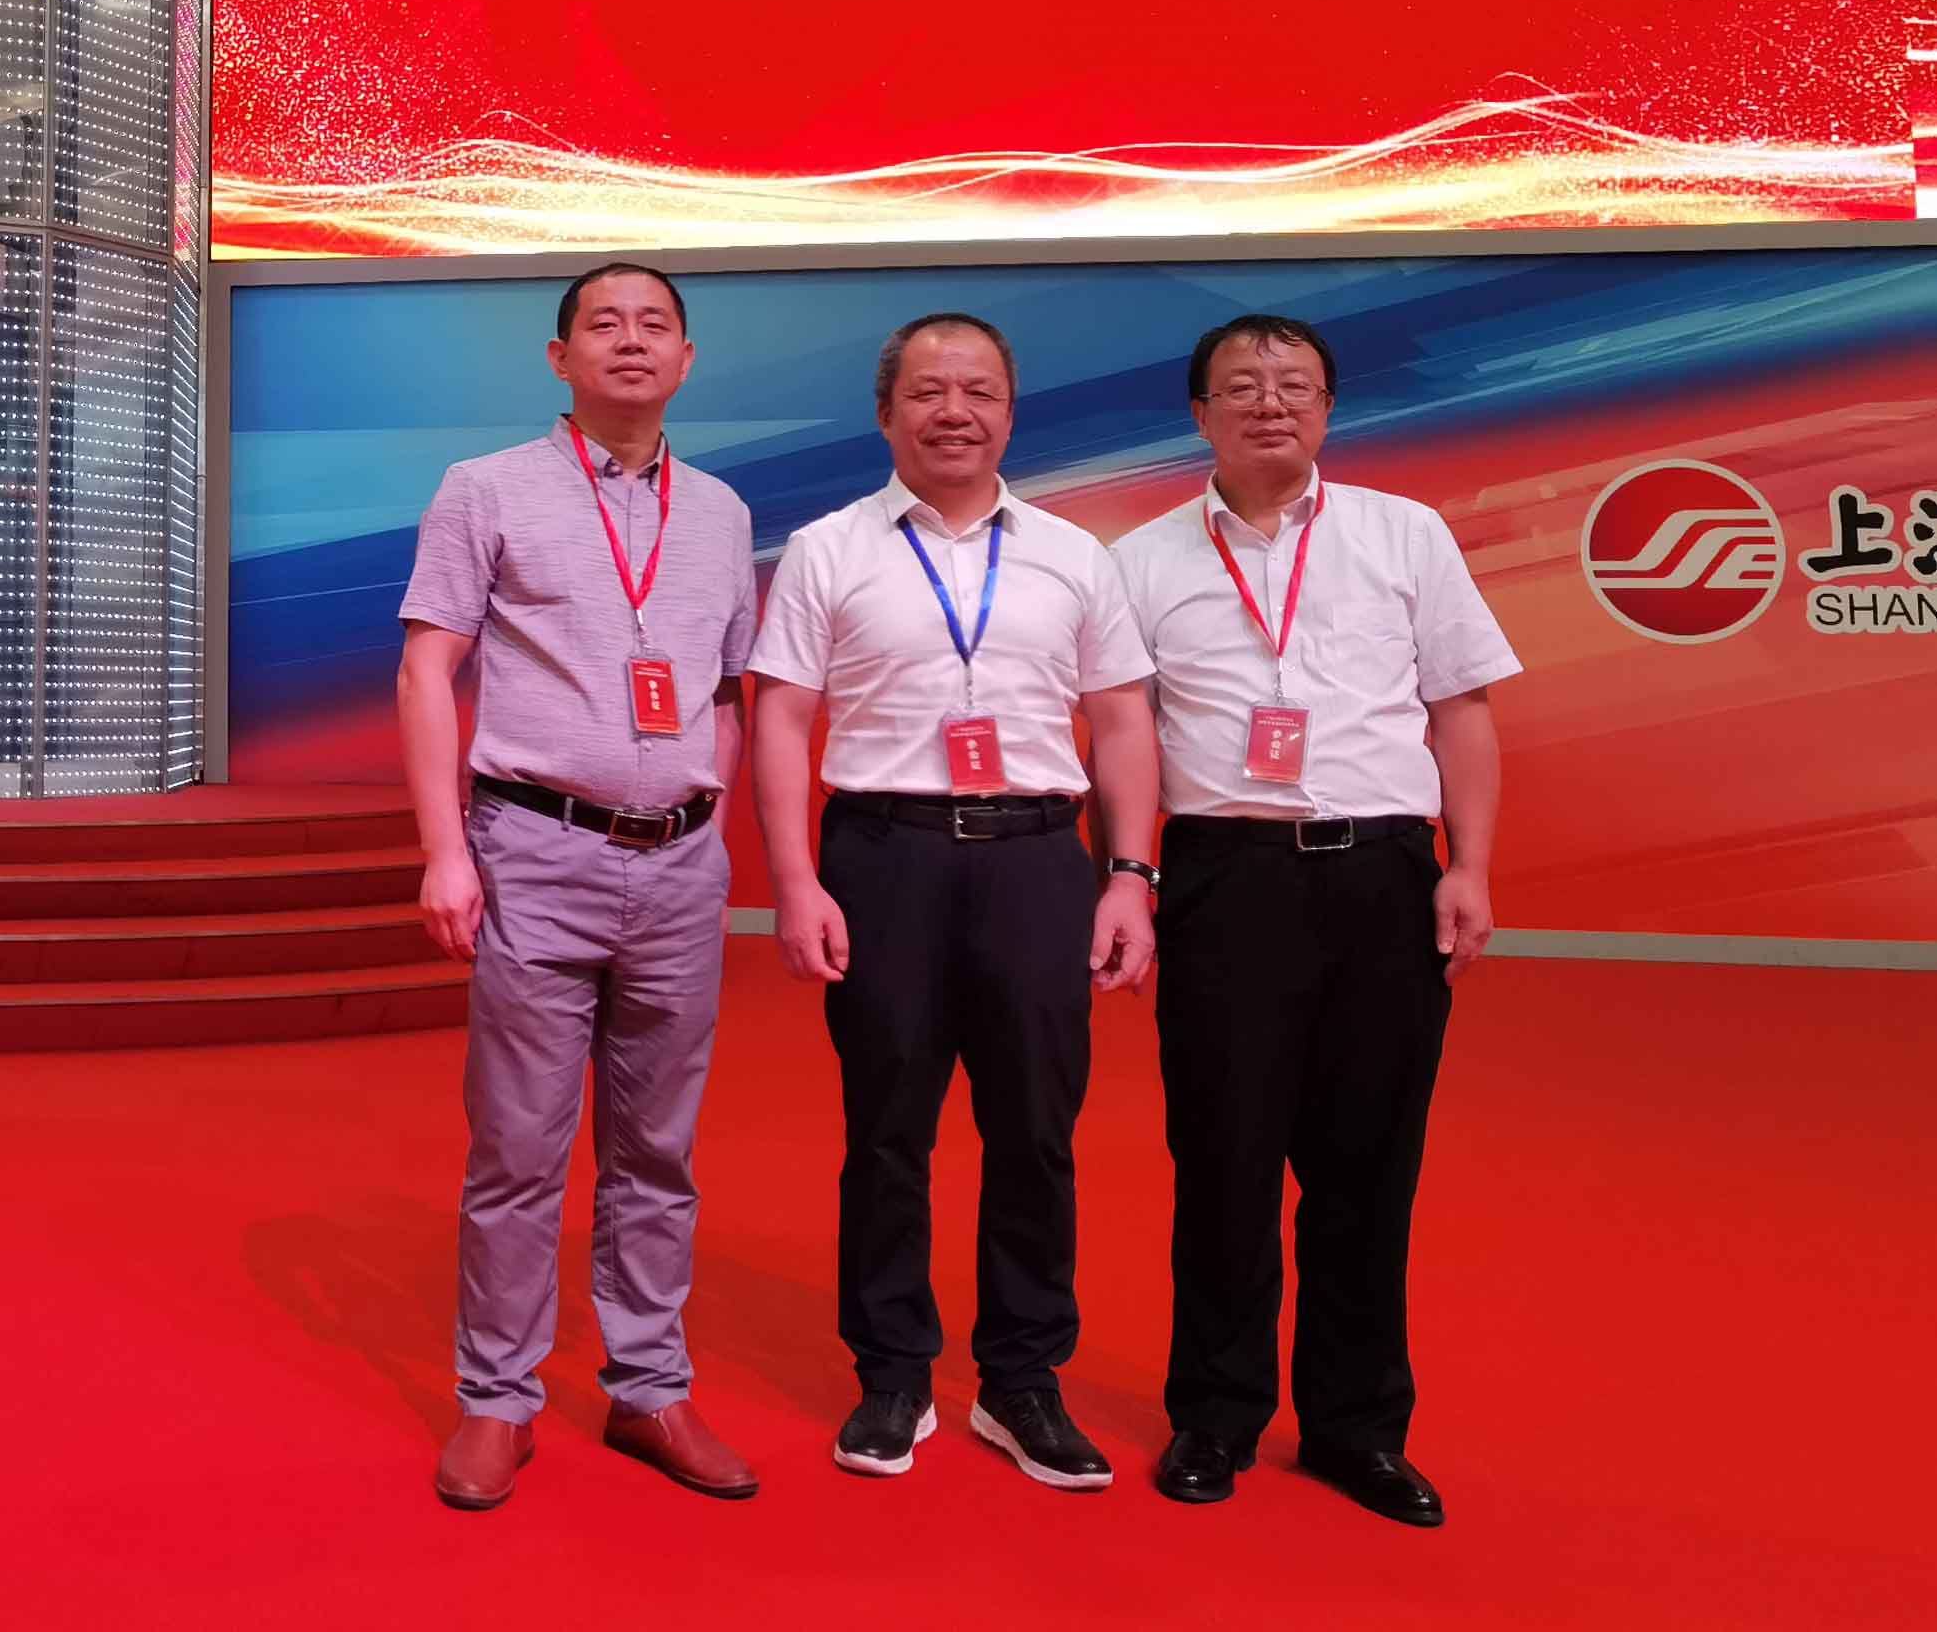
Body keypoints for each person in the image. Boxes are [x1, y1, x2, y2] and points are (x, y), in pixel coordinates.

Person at [1109, 314, 1519, 1528]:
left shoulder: (1407, 532)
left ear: (1330, 407)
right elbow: (1122, 738)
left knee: (1368, 1167)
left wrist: (1470, 865)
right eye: (1242, 385)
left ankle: (1357, 1428)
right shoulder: (1138, 559)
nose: (1270, 403)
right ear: (1200, 414)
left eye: (1294, 383)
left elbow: (1460, 709)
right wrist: (1128, 876)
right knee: (1223, 1162)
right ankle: (1215, 1414)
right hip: (1225, 879)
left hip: (1382, 876)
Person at [750, 312, 1161, 1488]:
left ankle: (1023, 1381)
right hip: (887, 855)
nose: (954, 412)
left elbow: (1122, 720)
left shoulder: (1075, 554)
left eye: (978, 391)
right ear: (887, 413)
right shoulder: (828, 549)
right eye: (928, 390)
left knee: (1035, 1128)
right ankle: (892, 1374)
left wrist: (1129, 875)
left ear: (1010, 414)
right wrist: (795, 882)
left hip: (1037, 858)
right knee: (888, 1129)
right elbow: (781, 717)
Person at [396, 262, 761, 1512]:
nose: (630, 342)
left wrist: (708, 822)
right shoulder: (486, 488)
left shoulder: (722, 512)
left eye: (655, 325)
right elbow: (427, 671)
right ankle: (498, 1398)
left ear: (686, 359)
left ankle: (650, 1386)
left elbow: (724, 691)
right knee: (519, 1145)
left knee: (659, 1148)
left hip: (681, 865)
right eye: (603, 324)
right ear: (560, 358)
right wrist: (447, 851)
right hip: (537, 853)